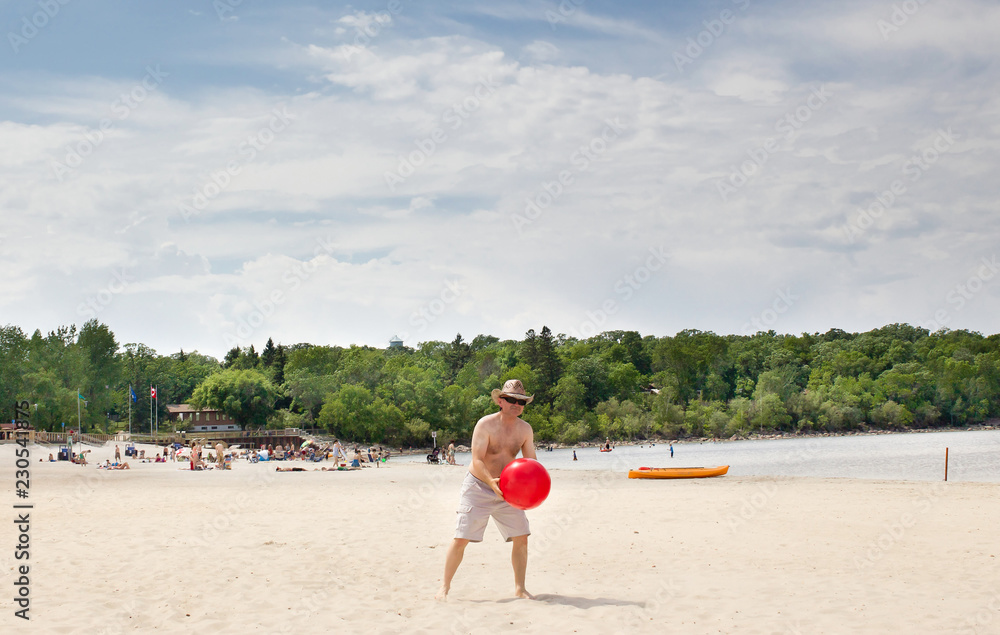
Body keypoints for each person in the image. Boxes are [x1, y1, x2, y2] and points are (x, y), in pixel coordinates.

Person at [436, 379, 537, 601]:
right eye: (511, 399)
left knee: (522, 537)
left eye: (521, 401)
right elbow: (477, 460)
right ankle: (444, 587)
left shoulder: (525, 429)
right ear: (500, 401)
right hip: (479, 486)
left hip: (508, 490)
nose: (516, 404)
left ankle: (520, 588)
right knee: (461, 538)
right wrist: (491, 482)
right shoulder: (485, 424)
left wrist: (532, 490)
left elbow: (531, 463)